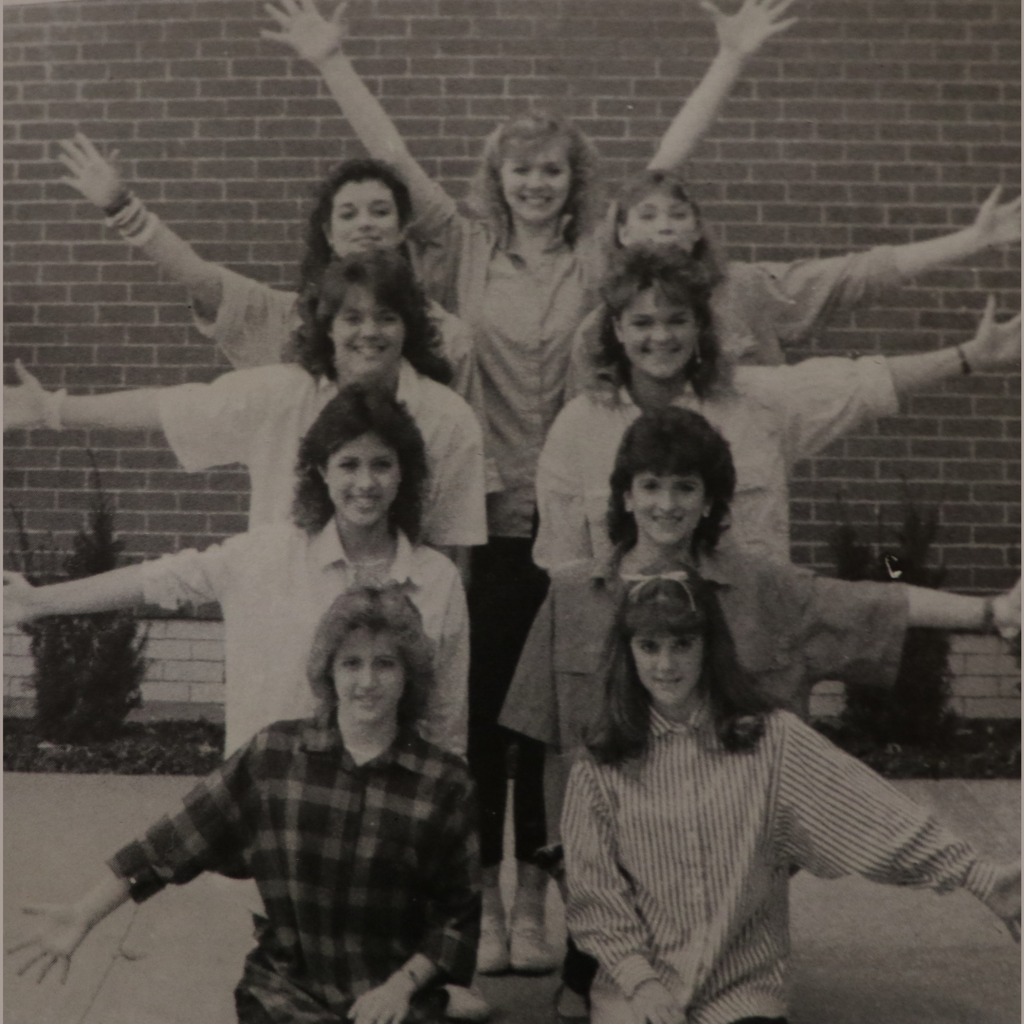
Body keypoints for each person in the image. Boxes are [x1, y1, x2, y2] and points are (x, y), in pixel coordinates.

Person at [259, 0, 800, 975]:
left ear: (570, 181)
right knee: (485, 721)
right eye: (521, 169)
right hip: (486, 521)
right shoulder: (463, 247)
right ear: (499, 180)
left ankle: (545, 889)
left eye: (552, 169)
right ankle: (486, 897)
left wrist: (724, 61)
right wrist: (333, 60)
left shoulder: (599, 257)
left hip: (589, 532)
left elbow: (657, 179)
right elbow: (395, 160)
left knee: (567, 722)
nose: (537, 183)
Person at [500, 406, 1021, 1019]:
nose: (667, 504)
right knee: (600, 986)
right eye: (651, 485)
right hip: (609, 851)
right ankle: (589, 972)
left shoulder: (757, 586)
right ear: (625, 494)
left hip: (722, 864)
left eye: (685, 487)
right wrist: (564, 858)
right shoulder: (569, 594)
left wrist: (988, 614)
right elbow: (542, 741)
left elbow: (863, 604)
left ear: (710, 499)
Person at [6, 585, 481, 1024]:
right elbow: (169, 841)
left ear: (409, 674)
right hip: (284, 997)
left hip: (391, 1004)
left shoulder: (444, 783)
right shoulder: (275, 756)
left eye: (386, 664)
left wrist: (402, 987)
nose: (367, 681)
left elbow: (456, 918)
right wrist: (83, 913)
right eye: (351, 663)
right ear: (328, 670)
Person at [560, 571, 1020, 1024]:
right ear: (628, 653)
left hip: (741, 986)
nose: (665, 665)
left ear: (709, 647)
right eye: (649, 646)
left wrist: (979, 877)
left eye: (683, 644)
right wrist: (641, 983)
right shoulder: (601, 764)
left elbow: (872, 815)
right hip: (640, 989)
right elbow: (595, 893)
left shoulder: (769, 739)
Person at [4, 385, 469, 759]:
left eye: (382, 465)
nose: (365, 483)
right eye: (348, 464)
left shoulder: (437, 578)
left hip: (391, 816)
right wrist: (42, 602)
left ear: (404, 474)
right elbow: (157, 579)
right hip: (270, 800)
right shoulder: (266, 555)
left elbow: (448, 719)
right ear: (320, 473)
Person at [535, 247, 1022, 569]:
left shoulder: (757, 401)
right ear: (616, 330)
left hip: (752, 652)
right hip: (636, 661)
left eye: (676, 320)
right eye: (641, 323)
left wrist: (968, 358)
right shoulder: (576, 429)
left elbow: (864, 383)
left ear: (699, 326)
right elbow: (567, 572)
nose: (660, 337)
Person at [4, 251, 488, 558]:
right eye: (352, 318)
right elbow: (170, 406)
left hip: (391, 645)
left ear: (408, 326)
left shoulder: (448, 418)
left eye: (387, 317)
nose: (369, 333)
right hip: (282, 617)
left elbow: (451, 554)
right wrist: (51, 409)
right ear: (328, 327)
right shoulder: (281, 393)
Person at [52, 132, 492, 456]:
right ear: (329, 234)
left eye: (381, 212)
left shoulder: (448, 336)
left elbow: (469, 459)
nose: (365, 224)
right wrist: (120, 206)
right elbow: (201, 279)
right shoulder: (289, 319)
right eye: (348, 213)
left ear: (401, 231)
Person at [565, 166, 1022, 375]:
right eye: (646, 215)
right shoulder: (599, 314)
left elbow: (853, 276)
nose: (664, 225)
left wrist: (971, 240)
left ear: (698, 229)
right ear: (621, 232)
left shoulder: (745, 288)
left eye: (678, 214)